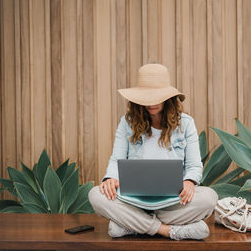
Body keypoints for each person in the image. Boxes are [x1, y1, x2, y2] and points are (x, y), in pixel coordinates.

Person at [88, 63, 218, 241]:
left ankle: (130, 225)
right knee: (95, 195)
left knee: (210, 198)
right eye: (146, 97)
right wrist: (110, 178)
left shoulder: (186, 123)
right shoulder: (127, 123)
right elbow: (116, 159)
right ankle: (166, 230)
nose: (151, 102)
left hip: (172, 203)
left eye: (157, 97)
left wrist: (189, 181)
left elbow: (194, 165)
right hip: (134, 202)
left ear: (168, 98)